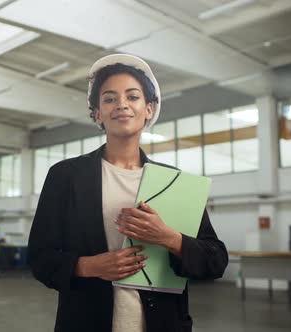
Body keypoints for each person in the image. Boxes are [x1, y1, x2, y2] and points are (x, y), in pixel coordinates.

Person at [28, 54, 228, 332]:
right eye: (109, 99)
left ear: (148, 109)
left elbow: (215, 260)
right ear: (97, 113)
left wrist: (169, 238)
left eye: (132, 97)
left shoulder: (174, 181)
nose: (121, 104)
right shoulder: (67, 176)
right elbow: (39, 257)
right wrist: (88, 266)